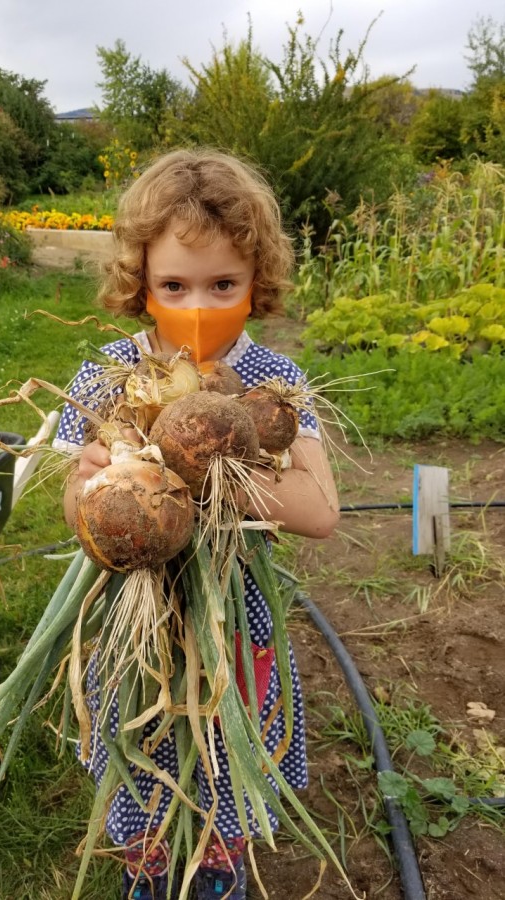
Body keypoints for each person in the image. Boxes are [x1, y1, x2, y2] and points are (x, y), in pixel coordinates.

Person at [55, 148, 340, 900]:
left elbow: (320, 512)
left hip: (231, 615)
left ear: (257, 284)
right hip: (135, 613)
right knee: (141, 738)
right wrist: (101, 484)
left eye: (224, 285)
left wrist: (212, 466)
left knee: (220, 748)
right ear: (140, 284)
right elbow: (70, 503)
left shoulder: (273, 384)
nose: (198, 307)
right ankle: (150, 862)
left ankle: (213, 868)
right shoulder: (109, 373)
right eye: (173, 285)